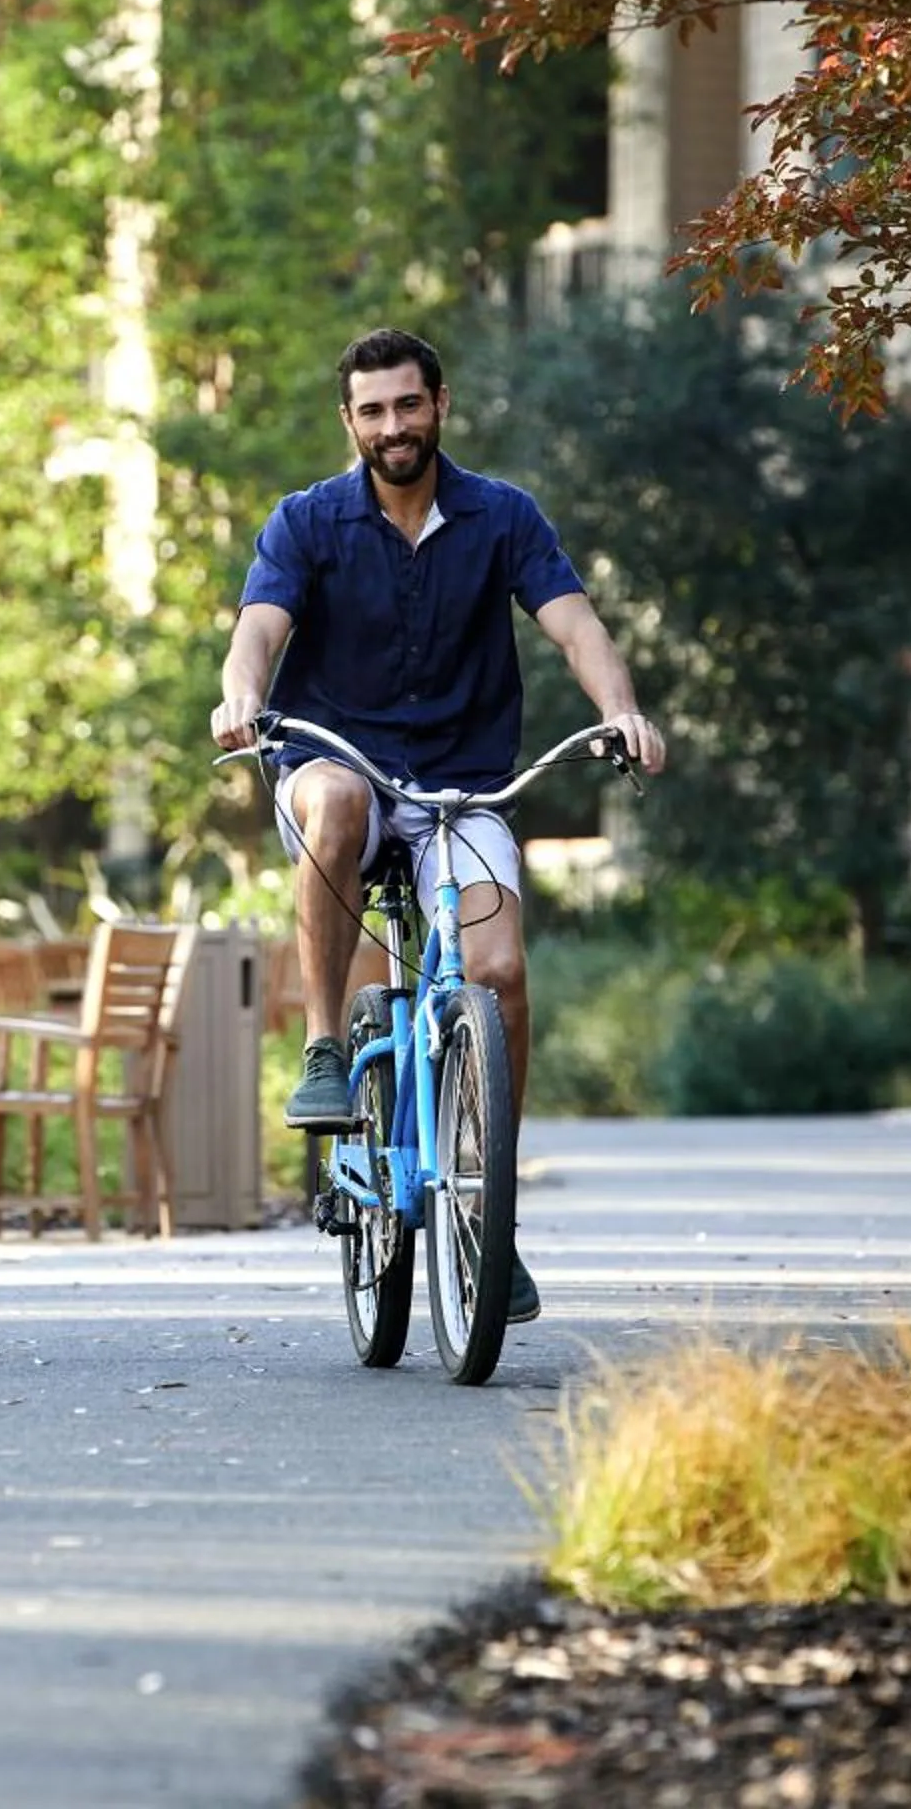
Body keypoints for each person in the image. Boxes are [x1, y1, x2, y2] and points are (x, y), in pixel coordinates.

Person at [208, 328, 666, 1326]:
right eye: (371, 411)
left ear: (440, 404)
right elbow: (259, 630)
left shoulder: (502, 516)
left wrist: (622, 708)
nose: (392, 427)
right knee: (329, 802)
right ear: (350, 422)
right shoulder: (308, 520)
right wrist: (241, 695)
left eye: (407, 406)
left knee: (497, 972)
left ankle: (489, 1213)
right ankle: (328, 1044)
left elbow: (576, 623)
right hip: (345, 766)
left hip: (462, 785)